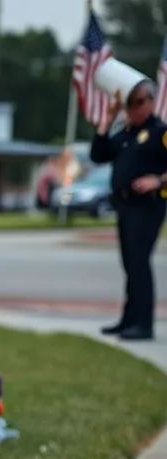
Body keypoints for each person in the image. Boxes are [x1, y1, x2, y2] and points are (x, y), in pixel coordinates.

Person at [91, 80, 167, 341]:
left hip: (148, 206)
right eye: (129, 104)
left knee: (138, 263)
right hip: (125, 205)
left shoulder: (160, 132)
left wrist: (159, 180)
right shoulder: (126, 134)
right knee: (129, 263)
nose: (132, 109)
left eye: (138, 103)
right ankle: (129, 319)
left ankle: (143, 324)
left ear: (150, 102)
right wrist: (107, 121)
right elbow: (98, 154)